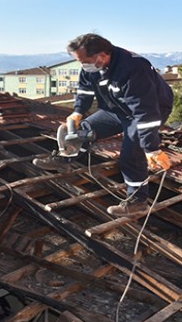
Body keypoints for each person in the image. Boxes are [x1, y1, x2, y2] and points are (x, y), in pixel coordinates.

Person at [33, 33, 174, 216]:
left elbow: (145, 112)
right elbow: (84, 91)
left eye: (85, 60)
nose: (83, 65)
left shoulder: (134, 67)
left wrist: (151, 148)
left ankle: (138, 201)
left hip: (146, 112)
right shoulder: (91, 67)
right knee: (81, 131)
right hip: (115, 110)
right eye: (80, 61)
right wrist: (77, 112)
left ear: (103, 54)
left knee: (131, 154)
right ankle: (64, 160)